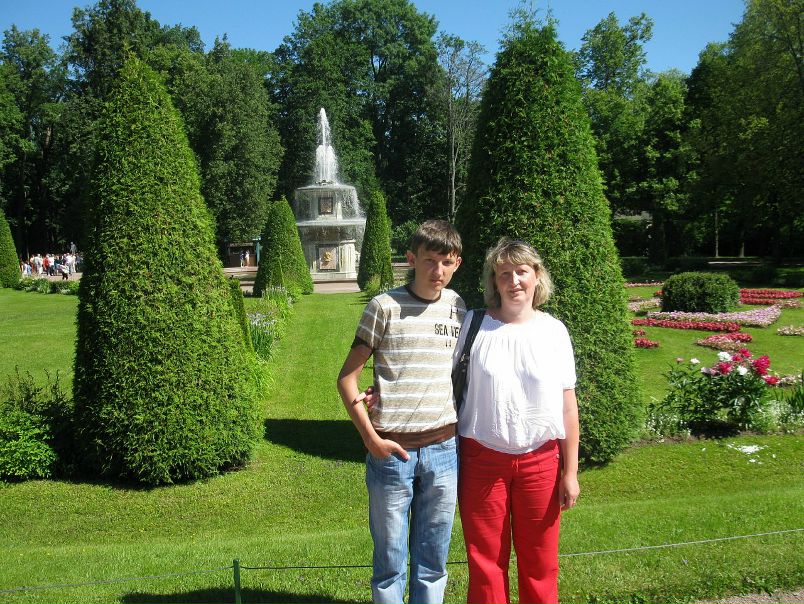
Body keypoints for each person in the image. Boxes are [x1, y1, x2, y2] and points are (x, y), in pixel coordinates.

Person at [337, 219, 465, 604]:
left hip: (444, 450)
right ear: (411, 259)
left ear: (457, 263)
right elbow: (347, 379)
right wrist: (371, 440)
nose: (437, 270)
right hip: (392, 453)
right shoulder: (384, 307)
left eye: (446, 262)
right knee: (390, 563)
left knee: (433, 561)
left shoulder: (457, 308)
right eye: (429, 260)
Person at [455, 237, 580, 604]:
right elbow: (439, 376)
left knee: (540, 562)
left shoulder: (554, 331)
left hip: (540, 462)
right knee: (485, 563)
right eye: (504, 273)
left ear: (537, 276)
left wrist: (570, 472)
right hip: (482, 461)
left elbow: (567, 407)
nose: (514, 281)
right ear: (494, 281)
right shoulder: (473, 325)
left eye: (522, 271)